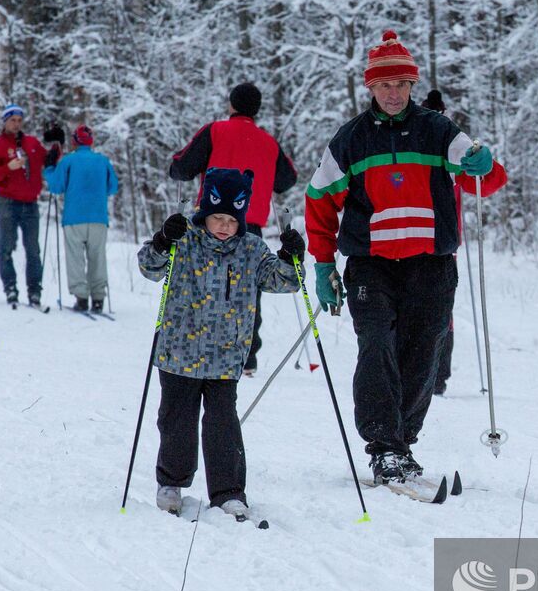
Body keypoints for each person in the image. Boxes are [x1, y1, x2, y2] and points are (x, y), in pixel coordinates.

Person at [305, 30, 506, 484]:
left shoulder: (438, 131)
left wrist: (484, 163)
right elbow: (318, 200)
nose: (393, 93)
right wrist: (322, 263)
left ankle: (402, 442)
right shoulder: (351, 140)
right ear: (370, 88)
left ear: (412, 86)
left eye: (400, 84)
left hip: (431, 264)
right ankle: (383, 447)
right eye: (384, 85)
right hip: (370, 265)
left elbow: (487, 182)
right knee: (376, 345)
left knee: (422, 354)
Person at [138, 168, 303, 517]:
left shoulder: (251, 249)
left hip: (226, 358)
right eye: (217, 217)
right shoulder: (184, 240)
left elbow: (285, 282)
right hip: (178, 353)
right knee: (176, 421)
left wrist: (291, 257)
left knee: (222, 426)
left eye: (231, 218)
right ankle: (172, 482)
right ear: (204, 212)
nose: (225, 225)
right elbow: (149, 268)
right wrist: (162, 240)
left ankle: (228, 491)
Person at [169, 82, 298, 374]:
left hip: (211, 223)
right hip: (249, 225)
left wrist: (175, 167)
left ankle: (198, 347)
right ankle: (247, 355)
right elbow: (287, 179)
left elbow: (183, 166)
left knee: (201, 287)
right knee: (248, 291)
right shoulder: (268, 142)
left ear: (231, 105)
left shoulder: (214, 131)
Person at [424, 89, 508, 395]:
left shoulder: (452, 146)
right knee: (440, 310)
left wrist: (485, 164)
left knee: (434, 309)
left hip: (441, 242)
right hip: (443, 240)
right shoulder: (435, 143)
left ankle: (433, 374)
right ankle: (436, 375)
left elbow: (489, 180)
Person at [45, 125, 118, 312]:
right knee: (97, 257)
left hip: (74, 218)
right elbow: (112, 187)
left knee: (75, 258)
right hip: (98, 217)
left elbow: (55, 187)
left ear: (74, 141)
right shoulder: (103, 161)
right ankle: (99, 298)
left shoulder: (68, 161)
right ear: (91, 141)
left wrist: (49, 168)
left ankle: (81, 297)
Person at [0, 104, 47, 307]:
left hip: (30, 203)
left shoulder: (32, 143)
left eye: (19, 120)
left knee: (33, 249)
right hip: (7, 202)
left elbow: (50, 161)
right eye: (12, 120)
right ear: (5, 121)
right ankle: (10, 288)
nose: (16, 124)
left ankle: (34, 291)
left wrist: (57, 145)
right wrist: (7, 168)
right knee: (6, 248)